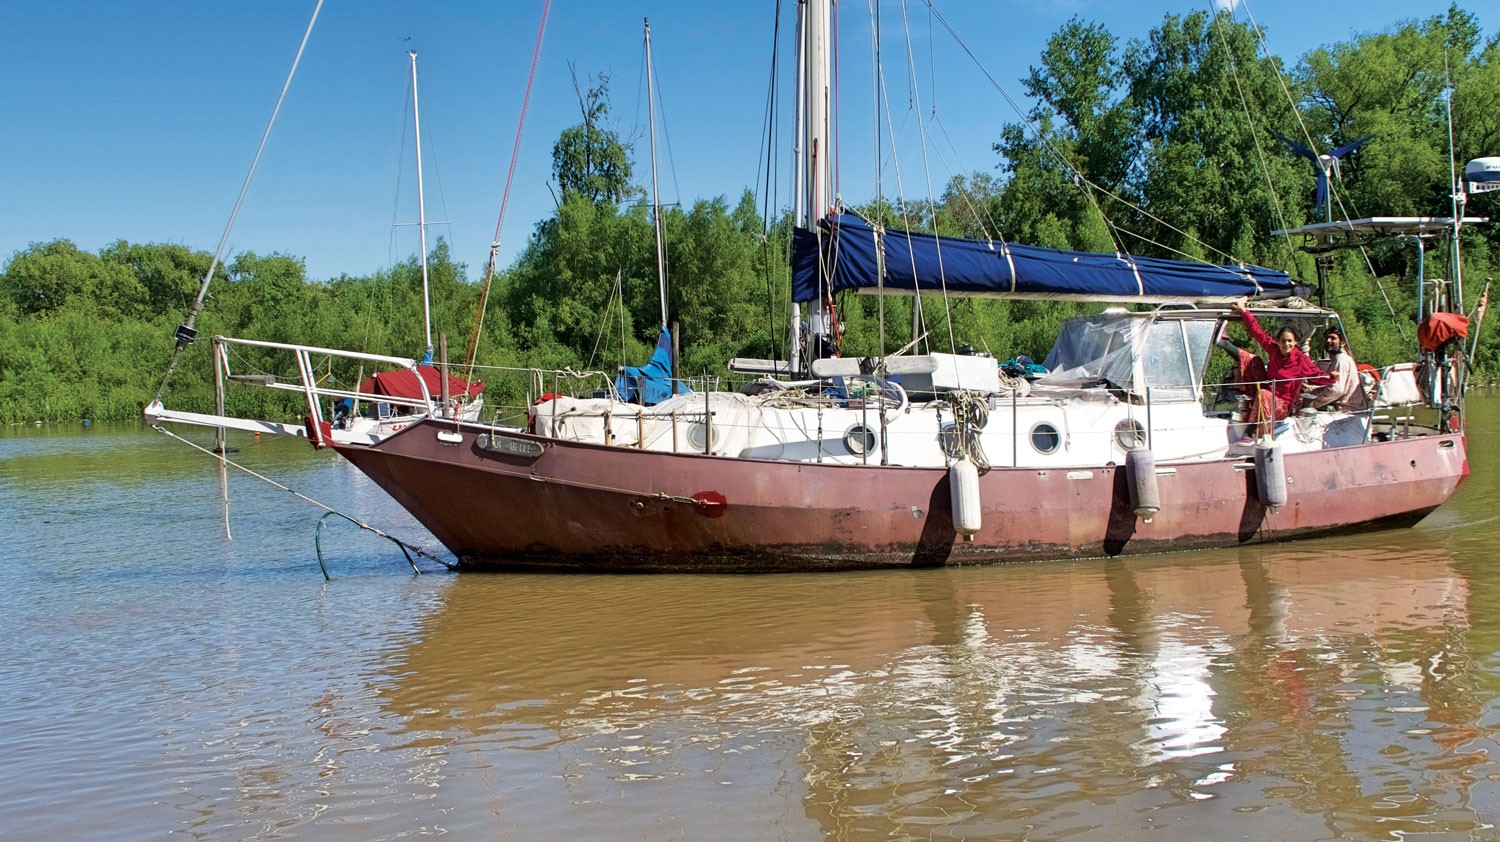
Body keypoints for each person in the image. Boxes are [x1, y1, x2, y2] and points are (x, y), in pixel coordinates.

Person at [1227, 300, 1334, 432]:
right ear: (1278, 342)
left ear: (1295, 342)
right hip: (1265, 395)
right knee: (1251, 360)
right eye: (1283, 341)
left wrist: (1331, 378)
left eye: (1290, 341)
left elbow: (1316, 375)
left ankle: (1251, 431)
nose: (1286, 344)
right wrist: (1244, 312)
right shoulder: (1274, 350)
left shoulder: (1300, 360)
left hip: (1282, 405)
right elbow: (1258, 333)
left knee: (1264, 394)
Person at [1311, 327, 1364, 410]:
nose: (1328, 341)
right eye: (1326, 338)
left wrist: (1311, 403)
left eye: (1333, 338)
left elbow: (1336, 390)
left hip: (1345, 409)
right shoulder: (1340, 359)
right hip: (1345, 406)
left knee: (1302, 410)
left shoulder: (1341, 360)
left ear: (1342, 343)